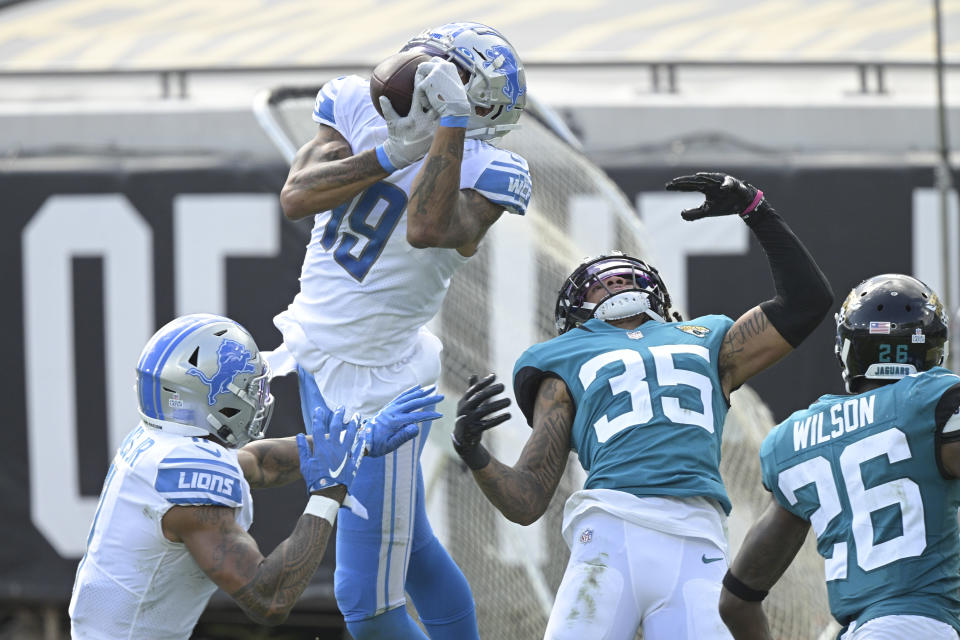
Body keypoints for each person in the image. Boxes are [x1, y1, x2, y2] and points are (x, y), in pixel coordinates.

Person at [452, 172, 833, 640]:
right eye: (598, 282)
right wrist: (475, 453)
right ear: (573, 316)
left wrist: (757, 209)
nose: (613, 282)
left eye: (625, 275)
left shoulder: (708, 338)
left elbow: (808, 302)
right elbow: (529, 498)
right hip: (610, 534)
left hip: (698, 535)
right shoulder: (565, 358)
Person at [269, 20, 531, 640]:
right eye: (475, 93)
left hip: (374, 382)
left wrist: (449, 127)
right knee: (409, 551)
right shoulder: (357, 105)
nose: (491, 108)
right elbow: (296, 196)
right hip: (318, 352)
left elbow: (430, 228)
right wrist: (397, 150)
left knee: (365, 600)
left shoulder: (494, 166)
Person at [68, 313, 443, 640]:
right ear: (208, 396)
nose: (258, 396)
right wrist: (328, 494)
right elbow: (270, 598)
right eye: (249, 387)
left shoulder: (164, 441)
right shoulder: (188, 487)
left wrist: (358, 441)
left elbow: (256, 463)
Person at [718, 274, 960, 640]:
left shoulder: (794, 438)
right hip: (921, 625)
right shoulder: (933, 402)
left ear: (848, 348)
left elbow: (736, 601)